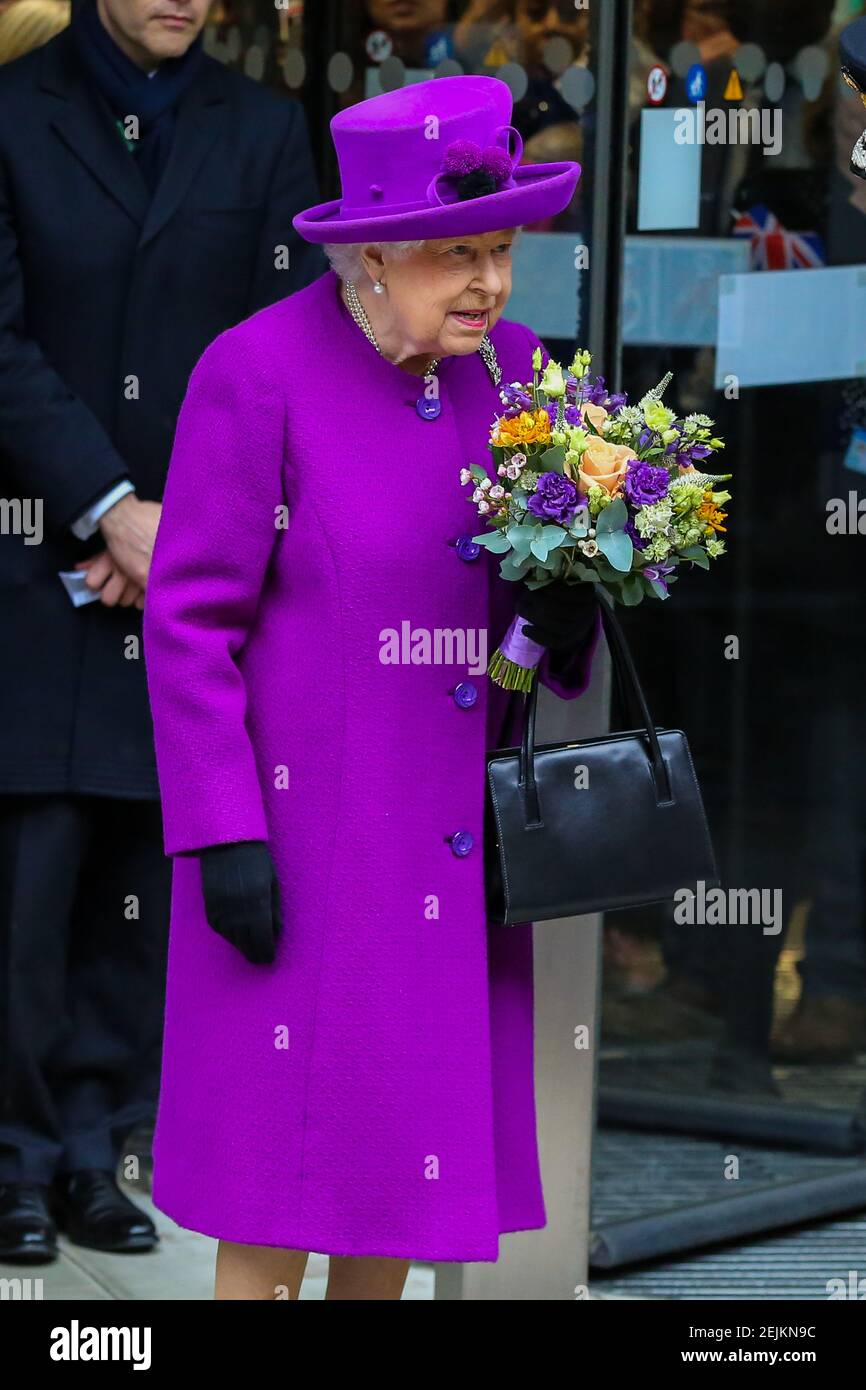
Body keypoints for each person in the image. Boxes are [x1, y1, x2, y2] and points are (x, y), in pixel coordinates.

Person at [143, 73, 601, 1301]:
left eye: (501, 250)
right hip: (303, 847)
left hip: (449, 852)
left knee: (401, 1175)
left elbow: (509, 626)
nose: (488, 284)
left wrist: (556, 619)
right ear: (372, 255)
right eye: (455, 253)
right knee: (274, 1189)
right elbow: (189, 626)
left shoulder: (514, 371)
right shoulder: (257, 372)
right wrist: (222, 831)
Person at [0, 0, 323, 1263]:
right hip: (33, 543)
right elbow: (2, 341)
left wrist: (178, 528)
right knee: (31, 871)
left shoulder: (264, 129)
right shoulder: (12, 118)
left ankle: (94, 1154)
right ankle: (13, 1160)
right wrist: (103, 503)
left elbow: (280, 343)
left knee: (144, 869)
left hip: (196, 562)